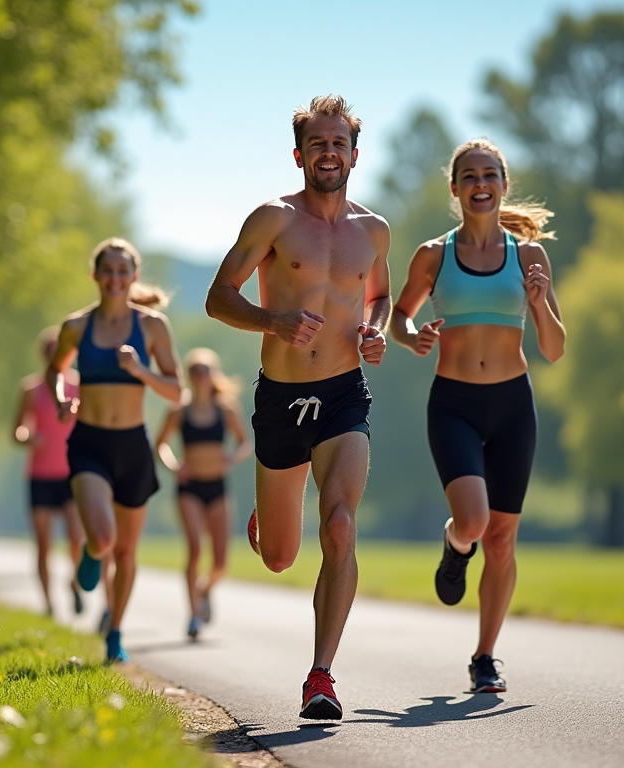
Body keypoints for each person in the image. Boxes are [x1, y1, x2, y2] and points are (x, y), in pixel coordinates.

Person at [205, 95, 391, 720]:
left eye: (339, 143)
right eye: (318, 144)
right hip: (281, 400)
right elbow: (217, 298)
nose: (329, 152)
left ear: (355, 154)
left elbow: (382, 295)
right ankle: (269, 517)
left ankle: (321, 676)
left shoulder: (374, 230)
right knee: (282, 556)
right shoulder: (273, 220)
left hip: (344, 395)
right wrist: (274, 320)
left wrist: (376, 329)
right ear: (300, 154)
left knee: (339, 526)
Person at [390, 138, 566, 693]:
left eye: (490, 174)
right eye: (469, 176)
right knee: (474, 523)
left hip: (513, 407)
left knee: (504, 540)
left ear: (503, 185)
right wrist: (412, 336)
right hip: (455, 405)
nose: (480, 184)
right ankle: (454, 543)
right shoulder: (432, 255)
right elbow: (399, 316)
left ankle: (485, 656)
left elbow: (556, 348)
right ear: (455, 188)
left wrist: (538, 305)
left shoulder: (529, 256)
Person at [46, 237, 182, 663]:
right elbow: (56, 369)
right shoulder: (77, 326)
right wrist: (62, 397)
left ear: (134, 277)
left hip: (133, 447)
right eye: (108, 270)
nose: (115, 278)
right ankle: (89, 554)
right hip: (89, 443)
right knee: (103, 539)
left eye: (124, 271)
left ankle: (115, 632)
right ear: (96, 275)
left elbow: (177, 391)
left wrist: (139, 369)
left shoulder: (152, 327)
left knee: (125, 551)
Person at [154, 348, 252, 639]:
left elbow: (245, 443)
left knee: (221, 563)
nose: (200, 375)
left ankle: (204, 589)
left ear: (214, 374)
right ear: (189, 375)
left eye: (205, 370)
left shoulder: (227, 408)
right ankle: (194, 616)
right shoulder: (178, 410)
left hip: (218, 488)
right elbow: (160, 444)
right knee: (195, 550)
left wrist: (233, 456)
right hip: (189, 488)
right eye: (195, 370)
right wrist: (174, 467)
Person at [12, 326, 89, 618]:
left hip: (72, 474)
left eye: (58, 349)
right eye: (48, 350)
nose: (52, 355)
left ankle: (74, 582)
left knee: (76, 539)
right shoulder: (30, 389)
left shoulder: (80, 385)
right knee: (43, 544)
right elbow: (16, 429)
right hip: (40, 475)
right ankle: (47, 605)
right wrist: (28, 437)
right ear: (42, 354)